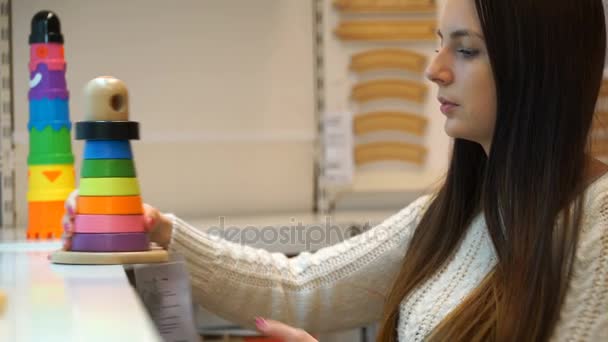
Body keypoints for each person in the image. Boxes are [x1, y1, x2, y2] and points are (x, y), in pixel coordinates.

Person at [64, 0, 608, 340]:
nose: (434, 70)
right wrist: (158, 229)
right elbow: (301, 286)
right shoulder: (462, 206)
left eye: (466, 51)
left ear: (537, 71)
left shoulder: (598, 233)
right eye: (440, 44)